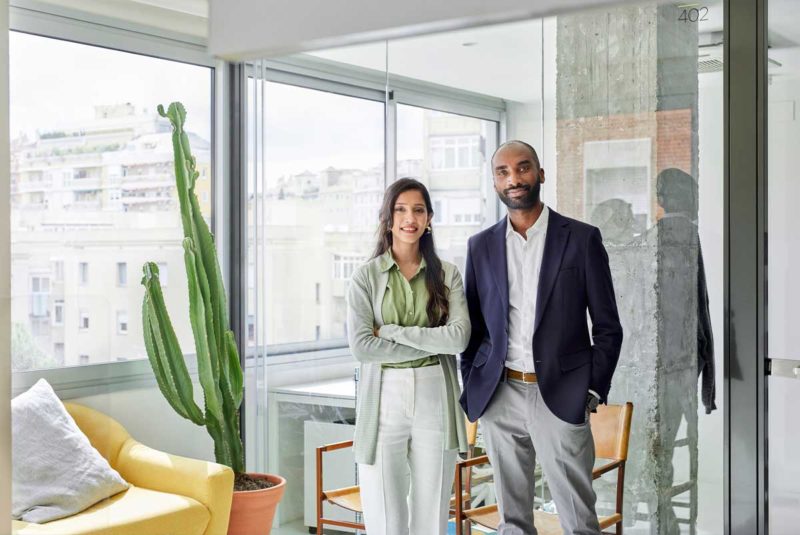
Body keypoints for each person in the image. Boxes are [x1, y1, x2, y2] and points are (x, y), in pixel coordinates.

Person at [459, 140, 623, 535]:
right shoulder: (479, 246)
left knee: (579, 519)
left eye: (523, 168)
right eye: (503, 172)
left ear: (540, 174)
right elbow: (474, 328)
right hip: (501, 394)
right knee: (512, 522)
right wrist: (475, 380)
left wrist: (592, 390)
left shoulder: (581, 239)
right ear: (495, 183)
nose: (514, 179)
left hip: (562, 396)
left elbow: (607, 326)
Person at [346, 177, 471, 535]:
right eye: (400, 210)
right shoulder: (364, 277)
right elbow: (362, 347)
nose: (409, 218)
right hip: (384, 392)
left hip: (435, 392)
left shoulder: (448, 274)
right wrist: (433, 339)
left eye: (418, 210)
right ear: (387, 218)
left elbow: (460, 338)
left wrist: (393, 331)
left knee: (431, 512)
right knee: (384, 512)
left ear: (429, 218)